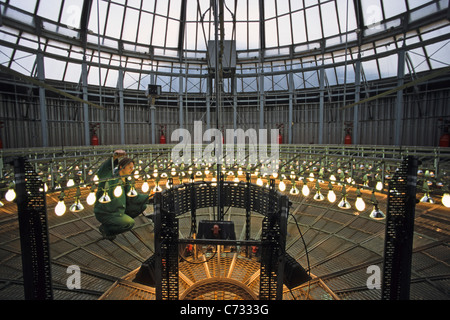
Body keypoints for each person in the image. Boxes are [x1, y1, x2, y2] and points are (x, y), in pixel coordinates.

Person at [94, 149, 150, 240]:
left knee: (142, 206)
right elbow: (102, 173)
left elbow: (134, 197)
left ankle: (119, 220)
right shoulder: (110, 177)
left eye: (133, 168)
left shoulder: (127, 180)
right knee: (129, 223)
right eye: (130, 168)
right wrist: (113, 158)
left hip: (119, 209)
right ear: (121, 167)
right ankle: (106, 229)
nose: (132, 170)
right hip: (107, 212)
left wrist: (149, 196)